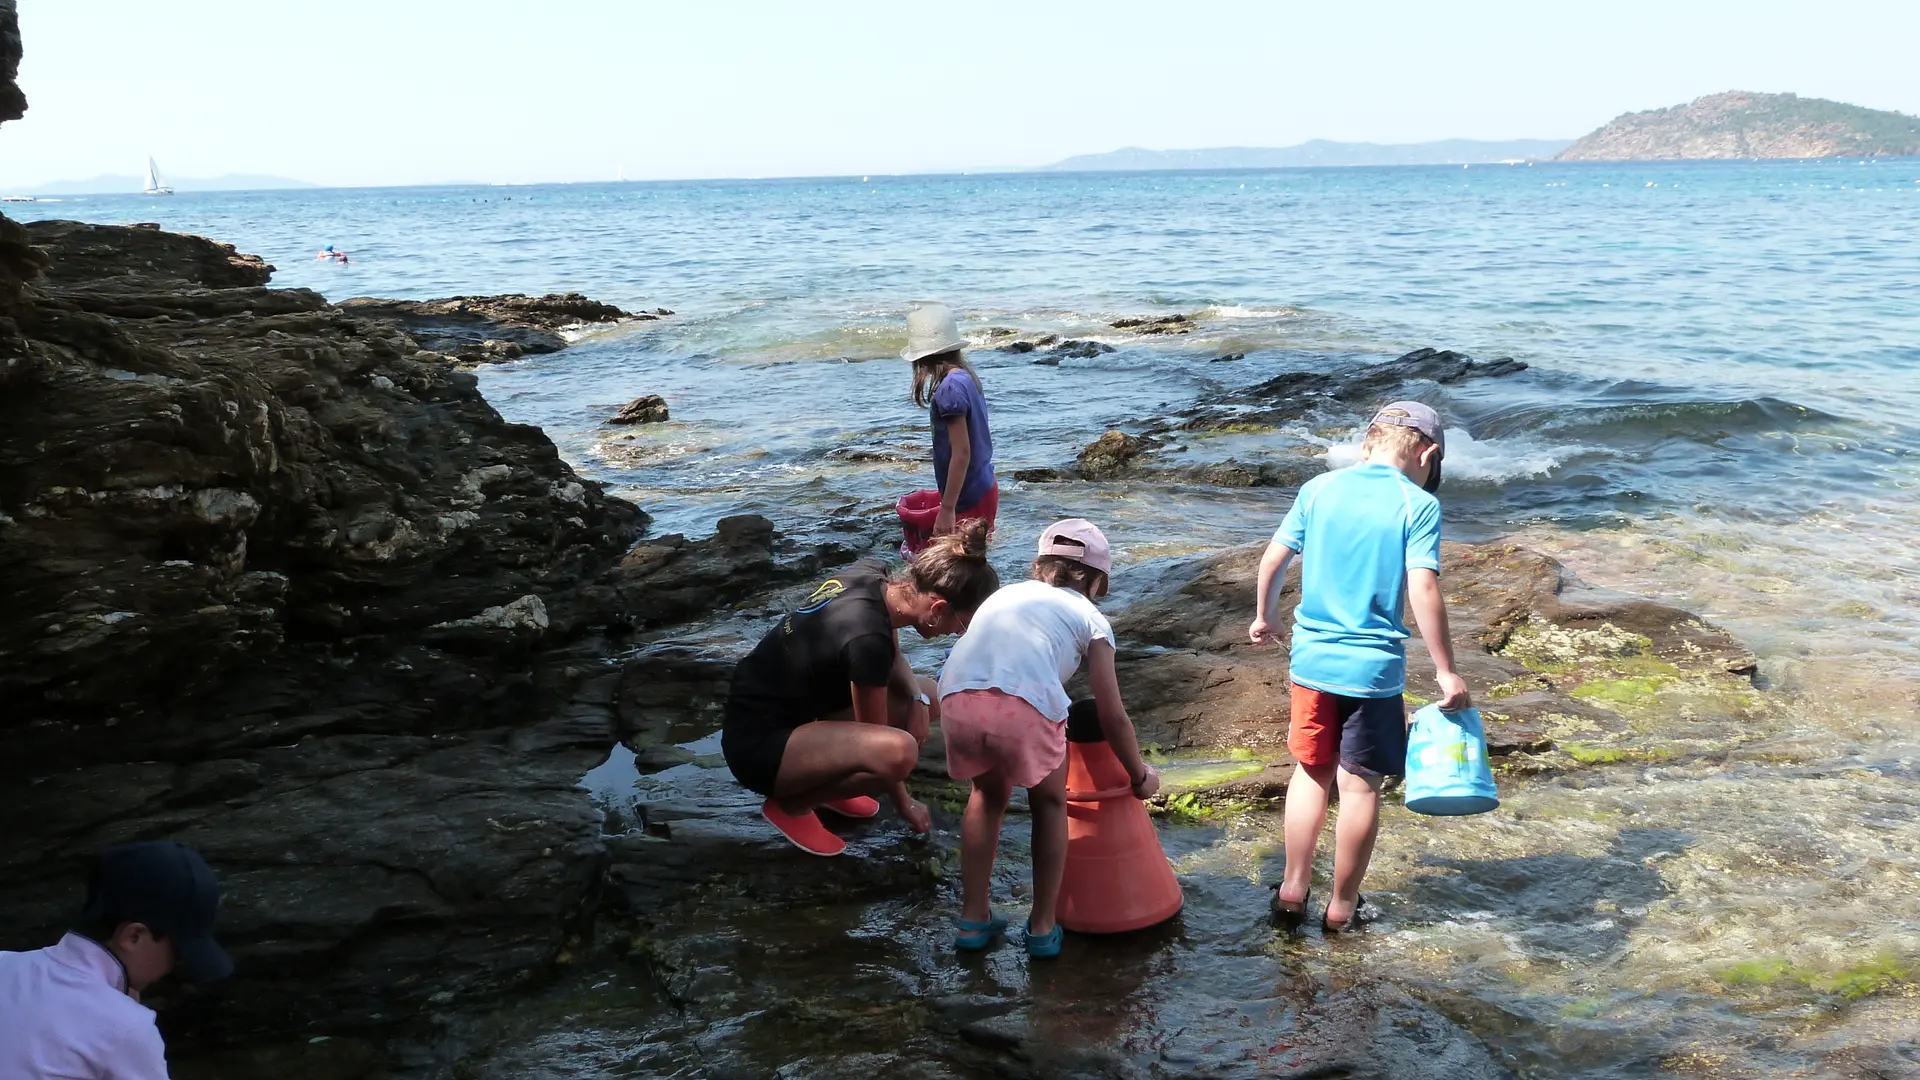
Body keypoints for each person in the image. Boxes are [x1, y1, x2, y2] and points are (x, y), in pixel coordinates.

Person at [1248, 401, 1471, 933]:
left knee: (1310, 773)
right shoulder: (1417, 504)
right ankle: (1342, 907)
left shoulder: (1318, 489)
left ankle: (1292, 890)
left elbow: (1274, 558)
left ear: (1367, 442)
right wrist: (1446, 670)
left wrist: (1266, 617)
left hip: (1312, 662)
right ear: (1428, 453)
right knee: (1361, 786)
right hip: (1371, 674)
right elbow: (1422, 585)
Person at [937, 519, 1159, 958]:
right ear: (1098, 581)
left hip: (956, 693)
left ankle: (973, 919)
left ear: (1039, 567)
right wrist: (1139, 775)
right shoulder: (1092, 619)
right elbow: (1112, 714)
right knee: (1049, 802)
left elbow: (991, 656)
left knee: (986, 795)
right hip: (1025, 705)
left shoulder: (1004, 594)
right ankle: (1041, 926)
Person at [723, 522, 1001, 856]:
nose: (959, 635)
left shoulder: (872, 576)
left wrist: (914, 698)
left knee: (930, 694)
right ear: (938, 609)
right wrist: (905, 803)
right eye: (962, 625)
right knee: (899, 752)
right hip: (758, 748)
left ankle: (829, 785)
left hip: (788, 716)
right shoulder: (867, 640)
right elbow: (876, 737)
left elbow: (890, 643)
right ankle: (792, 805)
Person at [0, 841, 233, 1079]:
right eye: (178, 951)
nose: (175, 965)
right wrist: (123, 1013)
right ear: (133, 936)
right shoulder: (126, 1027)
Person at [903, 301, 997, 539]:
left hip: (968, 497)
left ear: (922, 358)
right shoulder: (966, 378)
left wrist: (947, 509)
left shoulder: (949, 390)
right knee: (974, 562)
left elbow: (962, 453)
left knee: (957, 569)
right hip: (984, 484)